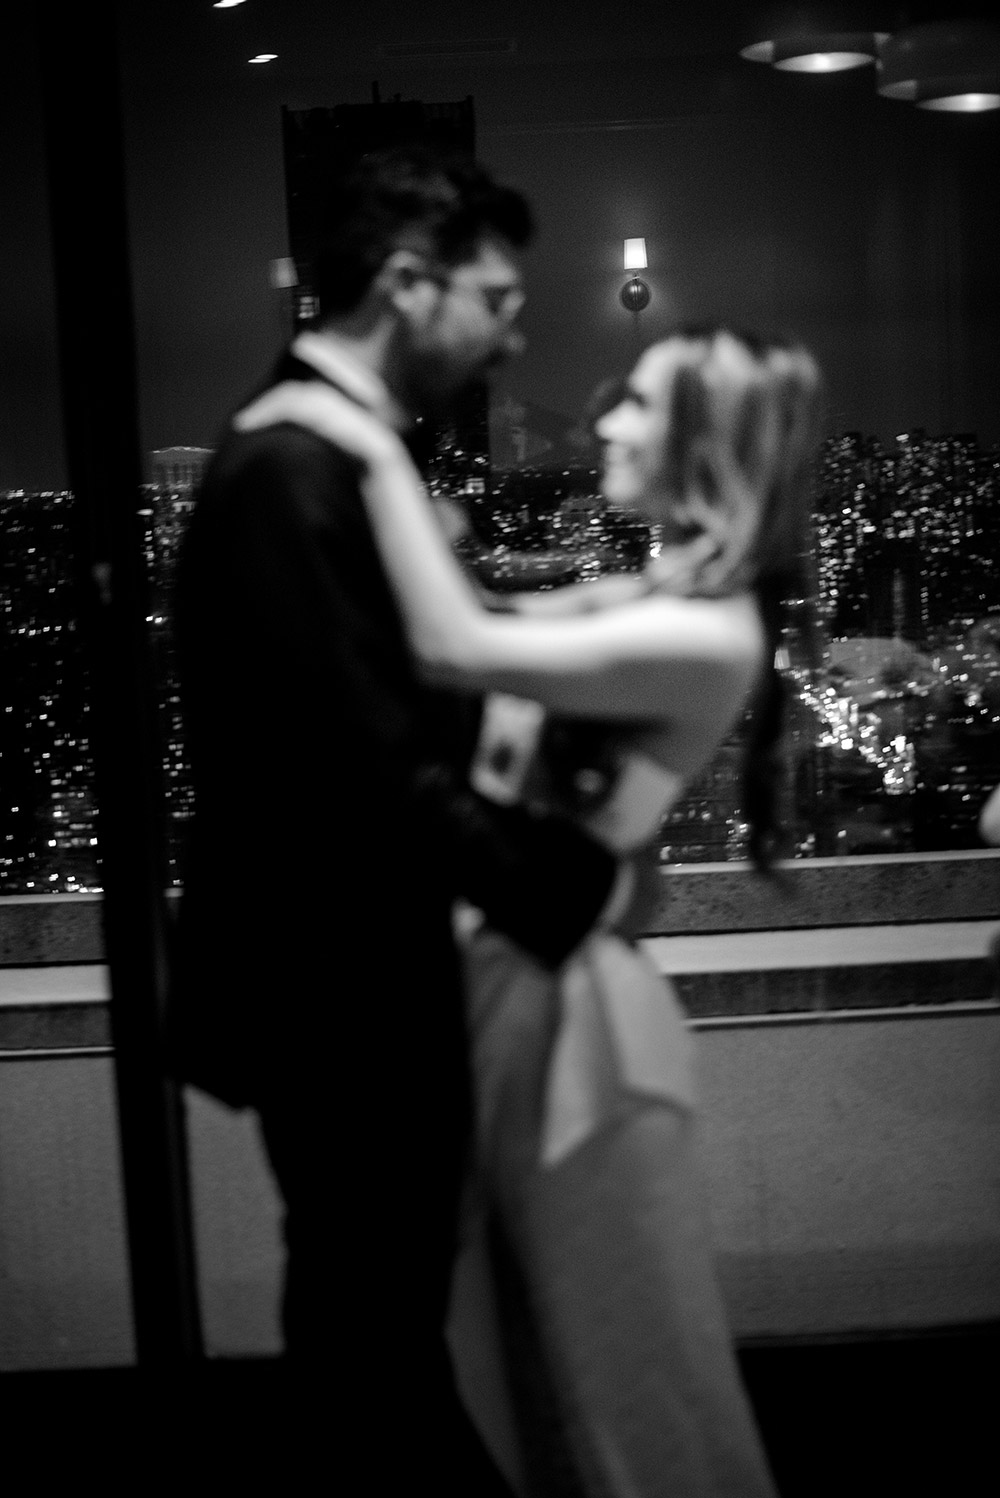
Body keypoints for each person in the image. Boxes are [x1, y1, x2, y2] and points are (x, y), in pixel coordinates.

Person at [236, 322, 824, 1496]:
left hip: (575, 1032)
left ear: (708, 439)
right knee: (505, 1360)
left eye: (639, 404)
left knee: (627, 1380)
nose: (602, 420)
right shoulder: (644, 599)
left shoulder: (704, 636)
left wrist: (355, 433)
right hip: (517, 988)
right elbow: (462, 625)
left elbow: (451, 645)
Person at [168, 148, 631, 1491]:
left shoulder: (331, 452)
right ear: (409, 284)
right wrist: (570, 890)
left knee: (371, 1330)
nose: (518, 326)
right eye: (495, 295)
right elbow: (359, 763)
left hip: (349, 972)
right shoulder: (291, 471)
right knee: (368, 1337)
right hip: (338, 987)